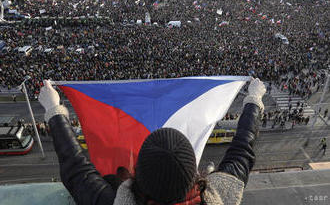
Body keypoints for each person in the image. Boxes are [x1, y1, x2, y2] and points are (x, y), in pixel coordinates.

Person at [38, 78, 266, 205]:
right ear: (194, 173)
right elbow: (242, 151)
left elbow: (77, 170)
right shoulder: (223, 195)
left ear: (137, 173)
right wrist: (253, 100)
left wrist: (55, 111)